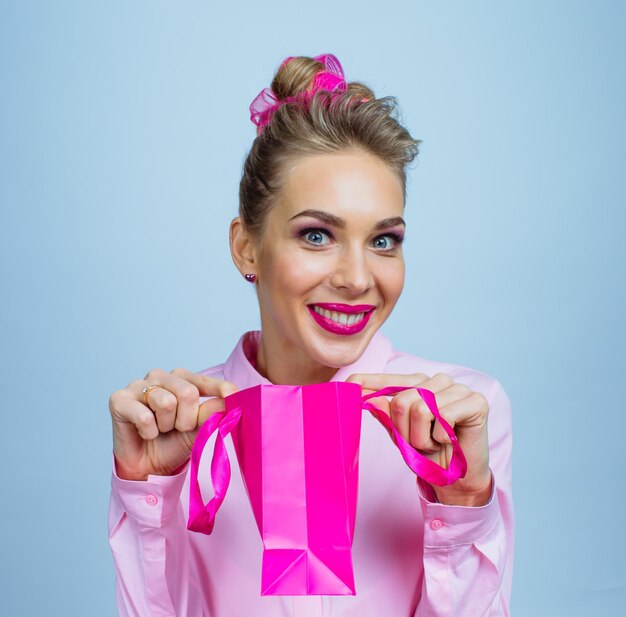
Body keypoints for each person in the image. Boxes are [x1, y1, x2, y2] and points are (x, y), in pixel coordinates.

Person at [107, 53, 514, 616]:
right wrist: (147, 495)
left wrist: (465, 503)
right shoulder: (177, 430)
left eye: (383, 240)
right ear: (246, 246)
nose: (356, 279)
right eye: (318, 235)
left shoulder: (463, 415)